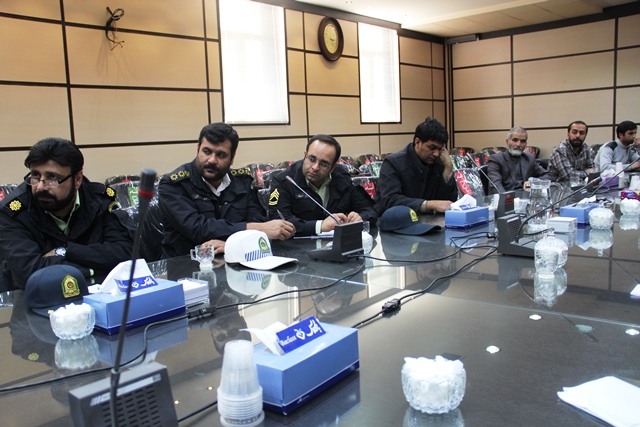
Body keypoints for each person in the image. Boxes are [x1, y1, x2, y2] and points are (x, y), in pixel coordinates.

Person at [0, 138, 134, 291]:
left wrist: (66, 251)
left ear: (77, 179)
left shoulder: (99, 200)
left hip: (98, 295)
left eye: (52, 178)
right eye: (35, 176)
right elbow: (28, 273)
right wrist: (96, 268)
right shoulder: (12, 213)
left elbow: (126, 253)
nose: (40, 187)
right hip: (37, 298)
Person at [158, 122, 295, 258]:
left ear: (232, 158)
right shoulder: (173, 185)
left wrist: (230, 244)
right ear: (198, 149)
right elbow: (197, 228)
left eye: (221, 155)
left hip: (235, 258)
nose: (212, 160)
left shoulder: (242, 181)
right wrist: (255, 229)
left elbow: (257, 219)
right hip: (185, 263)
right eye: (206, 152)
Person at [267, 134, 377, 236]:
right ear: (305, 155)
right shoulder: (284, 180)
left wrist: (360, 218)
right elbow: (278, 221)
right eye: (312, 159)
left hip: (336, 244)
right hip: (297, 245)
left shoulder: (342, 178)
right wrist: (320, 226)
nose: (315, 167)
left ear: (332, 167)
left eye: (324, 164)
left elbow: (370, 211)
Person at [375, 117, 457, 214]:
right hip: (395, 220)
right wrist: (428, 205)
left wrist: (448, 169)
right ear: (417, 142)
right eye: (432, 147)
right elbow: (391, 200)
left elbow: (448, 203)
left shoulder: (439, 162)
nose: (436, 153)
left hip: (430, 220)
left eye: (440, 149)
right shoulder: (393, 163)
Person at [487, 126, 554, 193]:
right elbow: (496, 186)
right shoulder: (496, 159)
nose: (518, 144)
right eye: (515, 140)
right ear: (507, 142)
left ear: (525, 144)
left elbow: (550, 175)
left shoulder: (529, 159)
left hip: (526, 197)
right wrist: (506, 198)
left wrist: (533, 183)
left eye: (522, 141)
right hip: (507, 196)